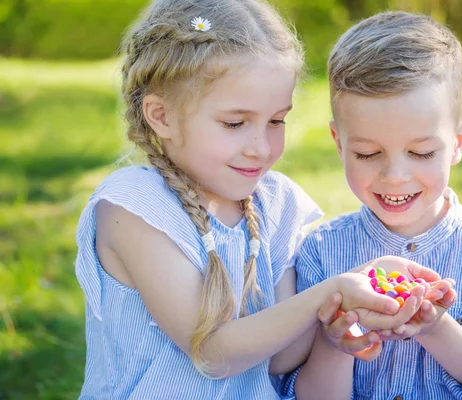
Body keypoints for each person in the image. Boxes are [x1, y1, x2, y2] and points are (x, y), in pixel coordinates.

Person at [74, 2, 437, 399]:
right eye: (234, 123)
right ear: (161, 115)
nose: (261, 148)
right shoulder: (134, 208)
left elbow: (280, 358)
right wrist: (330, 290)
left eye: (276, 121)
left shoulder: (276, 204)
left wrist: (356, 291)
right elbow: (212, 353)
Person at [289, 11, 462, 400]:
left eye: (420, 152)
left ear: (457, 141)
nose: (394, 176)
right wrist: (336, 344)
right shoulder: (320, 252)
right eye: (368, 153)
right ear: (339, 144)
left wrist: (434, 326)